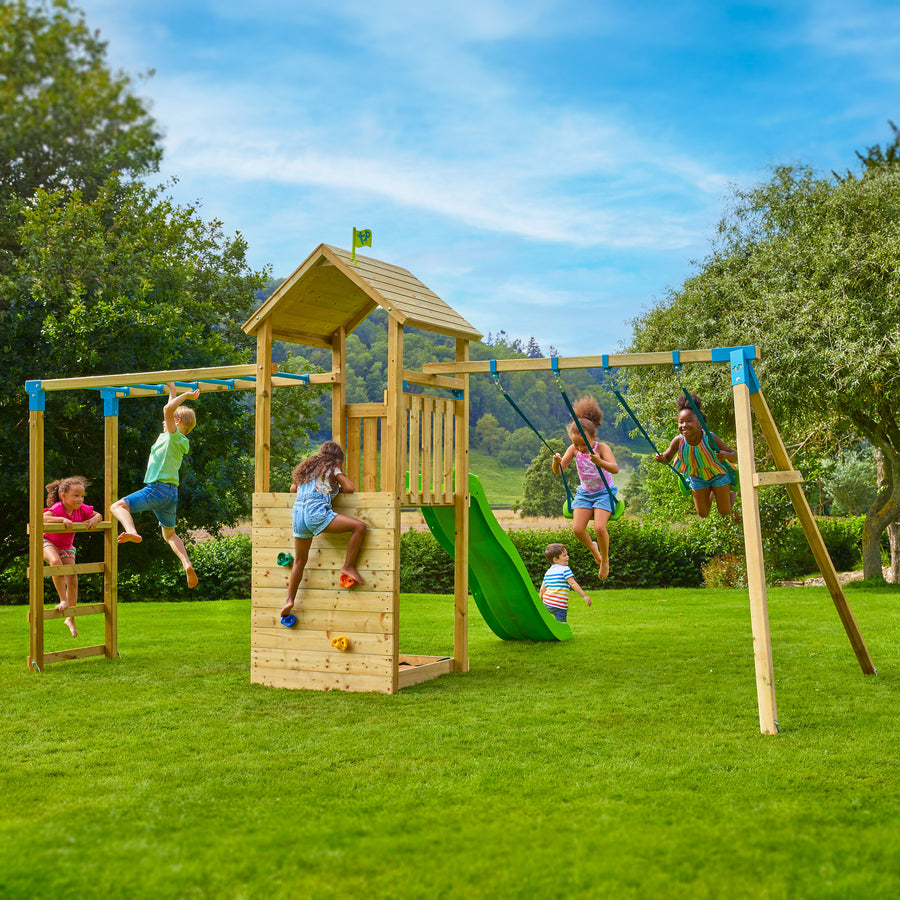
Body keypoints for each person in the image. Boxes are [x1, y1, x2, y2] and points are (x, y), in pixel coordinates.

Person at [110, 382, 201, 588]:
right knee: (170, 534)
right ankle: (186, 563)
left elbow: (167, 410)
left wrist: (186, 395)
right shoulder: (179, 439)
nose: (164, 421)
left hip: (157, 489)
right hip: (171, 493)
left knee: (117, 506)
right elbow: (170, 410)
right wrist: (173, 391)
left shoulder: (172, 436)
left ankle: (132, 531)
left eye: (169, 419)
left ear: (176, 421)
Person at [279, 441, 367, 625]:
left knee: (300, 561)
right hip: (315, 515)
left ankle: (289, 600)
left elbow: (293, 489)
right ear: (338, 459)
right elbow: (350, 488)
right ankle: (348, 566)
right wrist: (338, 483)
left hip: (298, 517)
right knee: (359, 527)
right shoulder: (332, 467)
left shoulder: (307, 469)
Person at [552, 395, 619, 581]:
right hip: (585, 493)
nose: (580, 448)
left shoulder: (602, 448)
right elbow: (559, 472)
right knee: (577, 530)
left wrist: (600, 461)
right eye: (576, 444)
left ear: (593, 437)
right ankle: (593, 548)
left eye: (584, 443)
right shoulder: (573, 450)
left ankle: (605, 560)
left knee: (599, 527)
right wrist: (556, 462)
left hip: (604, 493)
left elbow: (615, 468)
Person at [656, 392, 738, 518]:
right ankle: (712, 490)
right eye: (681, 422)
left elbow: (735, 455)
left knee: (724, 511)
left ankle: (732, 492)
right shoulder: (678, 441)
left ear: (700, 423)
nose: (684, 425)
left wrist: (726, 455)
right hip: (697, 476)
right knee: (703, 514)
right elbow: (667, 457)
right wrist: (661, 458)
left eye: (689, 421)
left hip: (718, 474)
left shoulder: (710, 438)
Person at [42, 476, 102, 637]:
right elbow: (42, 518)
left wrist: (95, 518)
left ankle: (71, 617)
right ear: (64, 496)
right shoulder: (58, 507)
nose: (80, 499)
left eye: (82, 496)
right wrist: (61, 519)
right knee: (55, 562)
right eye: (76, 496)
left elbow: (98, 514)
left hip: (66, 546)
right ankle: (63, 600)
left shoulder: (81, 509)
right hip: (47, 541)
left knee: (73, 579)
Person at [539, 543, 591, 623]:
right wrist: (584, 595)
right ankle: (562, 632)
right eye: (564, 555)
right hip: (558, 605)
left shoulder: (548, 572)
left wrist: (541, 604)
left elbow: (542, 589)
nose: (568, 557)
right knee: (562, 623)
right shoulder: (565, 569)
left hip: (547, 602)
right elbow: (573, 584)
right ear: (555, 559)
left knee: (546, 620)